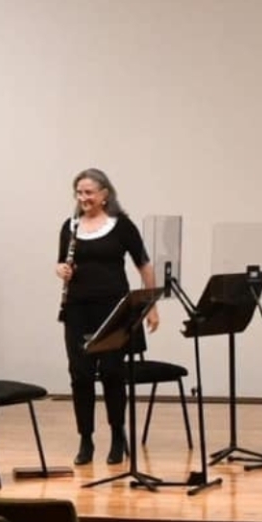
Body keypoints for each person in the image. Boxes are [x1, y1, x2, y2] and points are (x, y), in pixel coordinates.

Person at [56, 168, 159, 466]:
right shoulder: (70, 226)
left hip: (114, 310)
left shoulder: (121, 225)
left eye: (89, 192)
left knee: (113, 374)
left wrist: (151, 305)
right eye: (79, 192)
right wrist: (60, 270)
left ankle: (117, 435)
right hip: (77, 309)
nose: (83, 198)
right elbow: (63, 263)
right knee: (80, 374)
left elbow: (145, 266)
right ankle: (85, 438)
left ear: (104, 194)